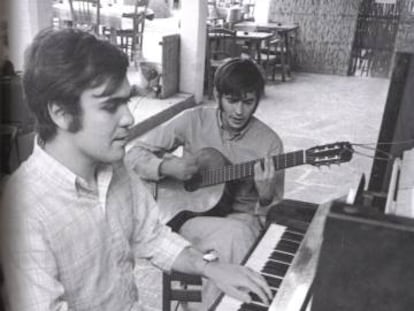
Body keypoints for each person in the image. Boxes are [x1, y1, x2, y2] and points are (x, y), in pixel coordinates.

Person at [0, 28, 272, 311]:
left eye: (126, 101)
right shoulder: (22, 212)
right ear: (61, 113)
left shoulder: (113, 168)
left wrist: (209, 268)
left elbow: (152, 236)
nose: (129, 118)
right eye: (110, 106)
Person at [125, 58, 285, 307]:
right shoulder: (193, 120)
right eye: (232, 101)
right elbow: (133, 154)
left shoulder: (270, 144)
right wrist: (166, 166)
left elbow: (272, 215)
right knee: (232, 241)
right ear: (217, 95)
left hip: (241, 218)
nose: (239, 111)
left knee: (236, 236)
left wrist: (265, 197)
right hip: (189, 214)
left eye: (248, 102)